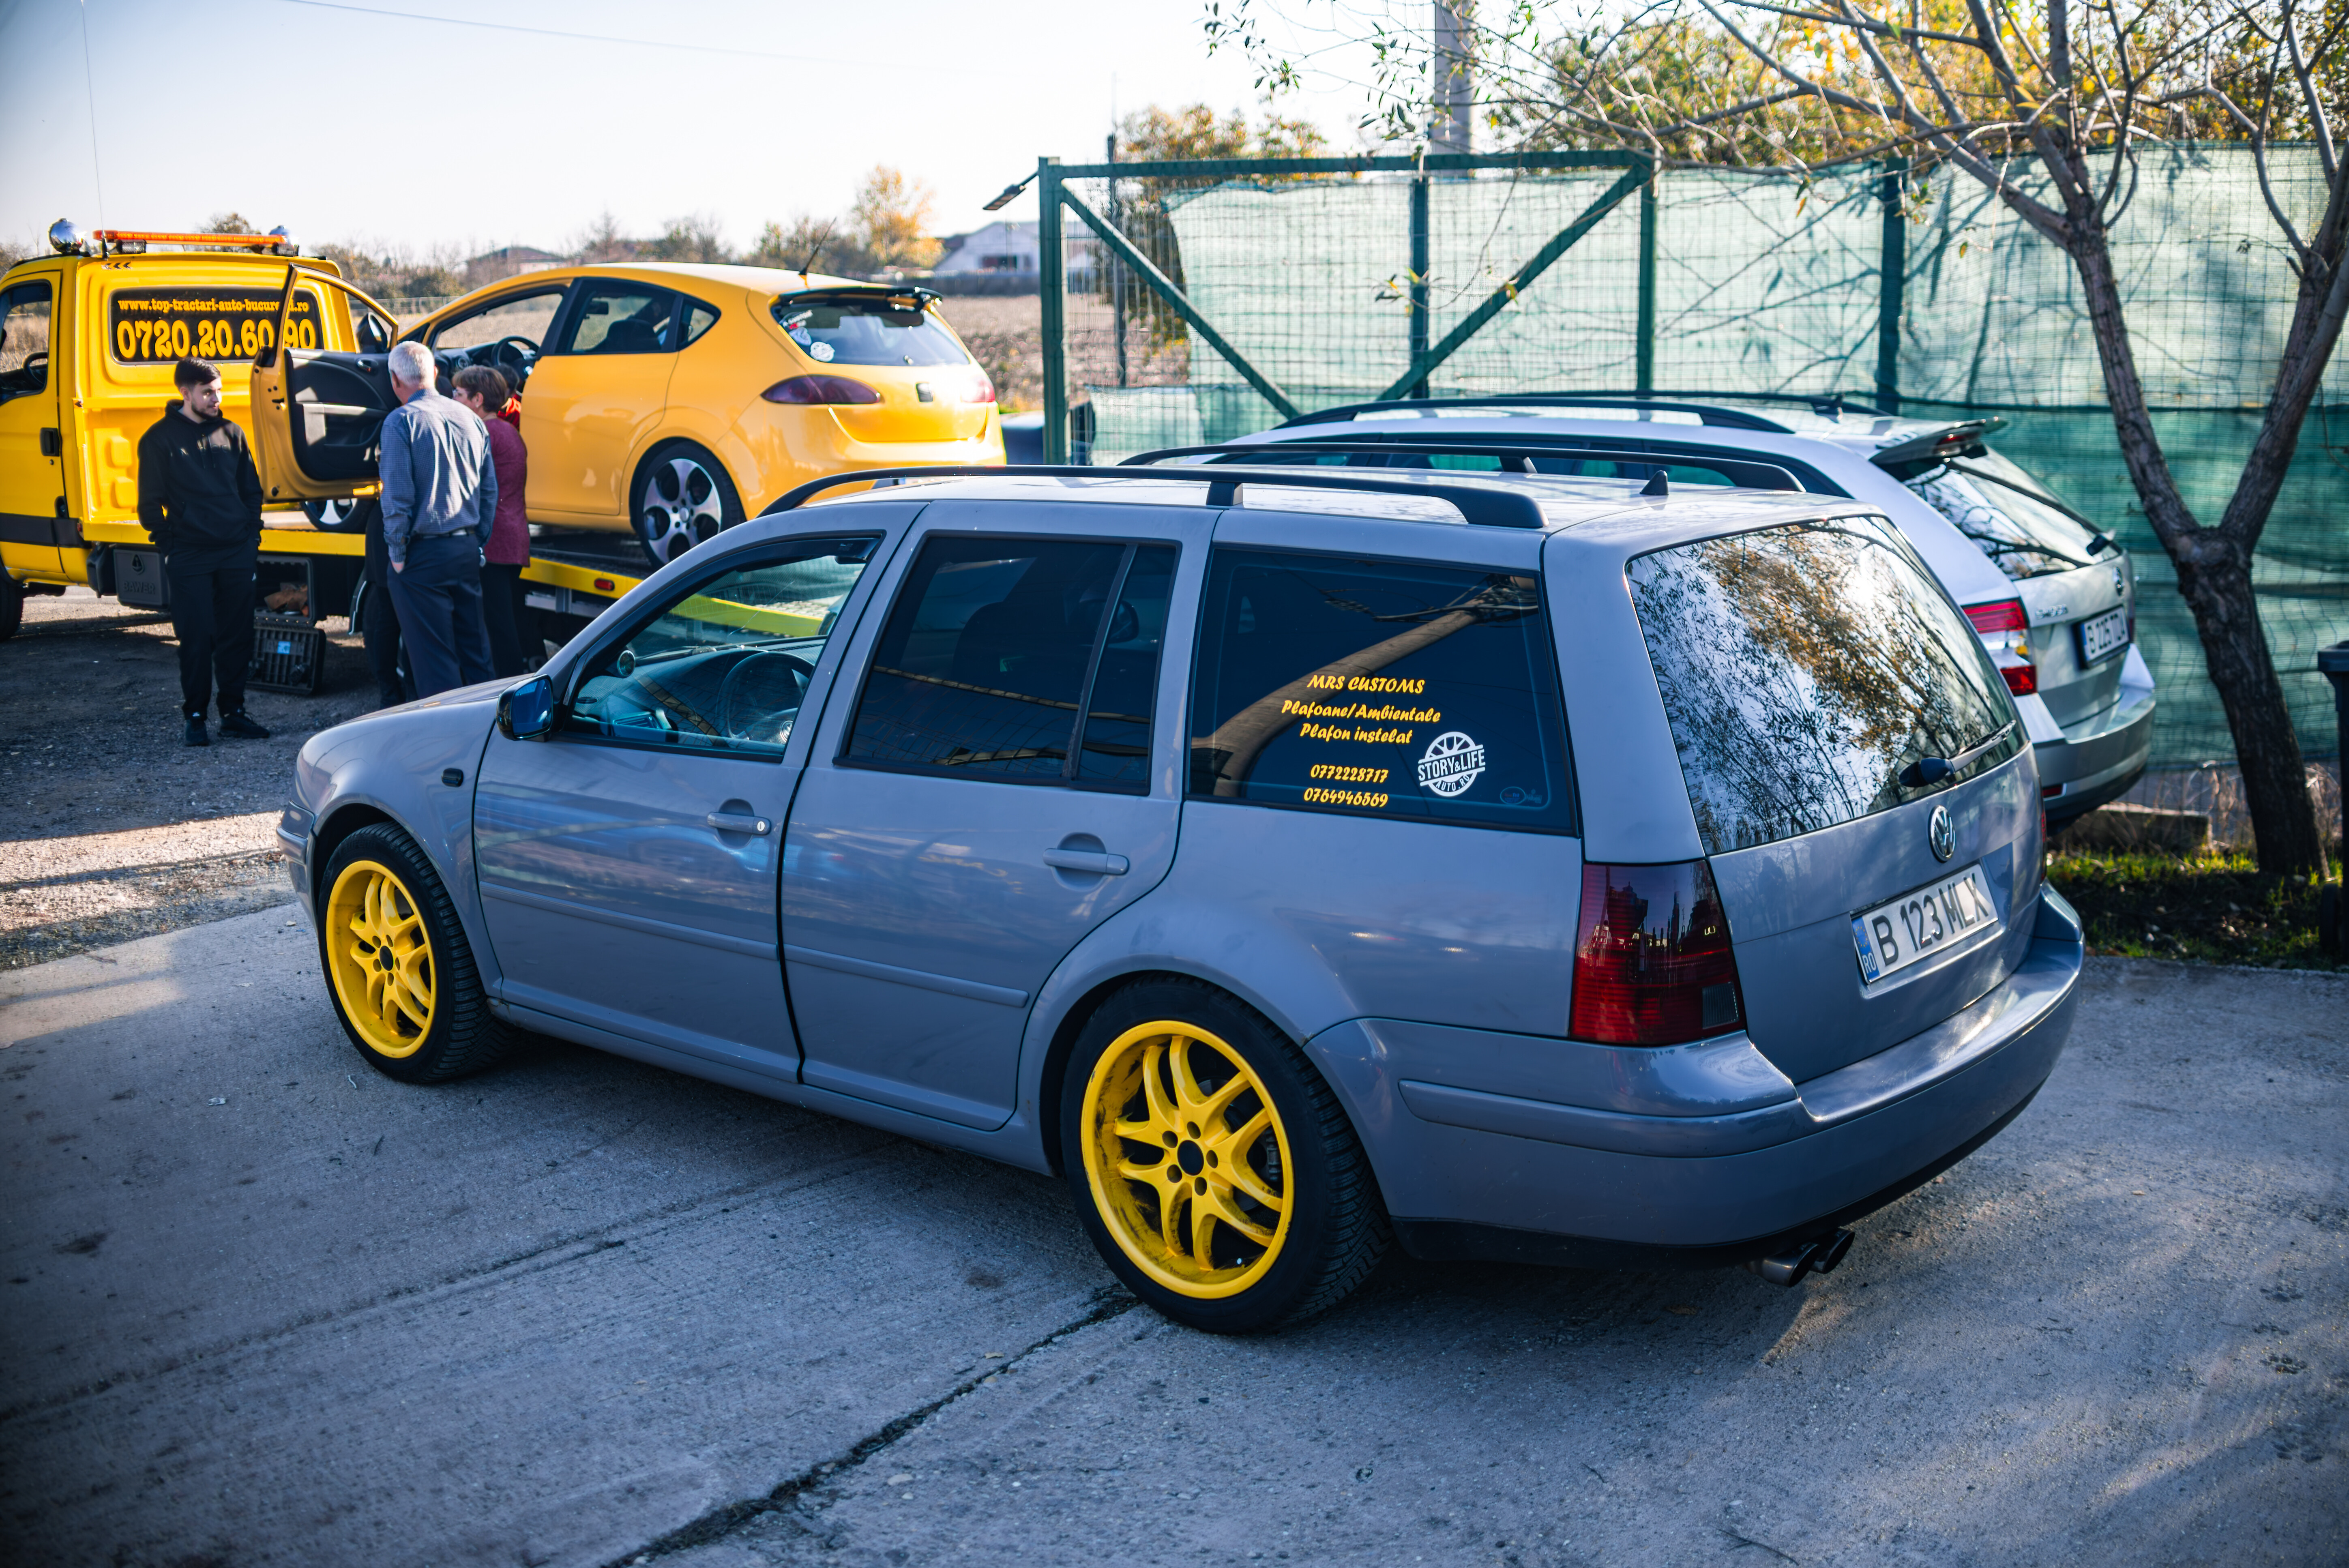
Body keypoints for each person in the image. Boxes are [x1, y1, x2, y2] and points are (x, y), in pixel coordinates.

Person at [136, 356, 272, 747]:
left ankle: (233, 713)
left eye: (219, 391)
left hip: (235, 552)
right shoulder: (158, 439)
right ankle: (195, 717)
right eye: (208, 392)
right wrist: (169, 546)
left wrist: (251, 539)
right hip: (190, 555)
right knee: (196, 640)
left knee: (237, 636)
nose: (217, 398)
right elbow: (149, 504)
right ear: (185, 392)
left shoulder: (232, 433)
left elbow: (251, 491)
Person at [380, 340, 496, 697]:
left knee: (436, 666)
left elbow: (397, 498)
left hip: (422, 555)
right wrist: (476, 541)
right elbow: (489, 491)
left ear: (395, 380)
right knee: (477, 656)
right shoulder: (471, 419)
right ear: (433, 373)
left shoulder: (400, 422)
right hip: (465, 548)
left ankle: (447, 733)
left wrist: (397, 555)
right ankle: (492, 724)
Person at [451, 365, 531, 677]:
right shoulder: (509, 431)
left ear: (478, 399)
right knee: (509, 618)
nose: (453, 399)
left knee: (497, 625)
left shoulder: (482, 433)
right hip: (513, 535)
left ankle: (506, 686)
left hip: (494, 540)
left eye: (459, 394)